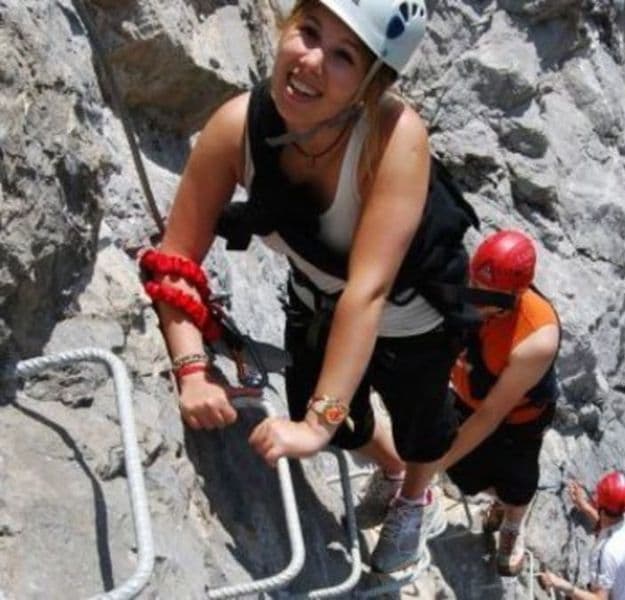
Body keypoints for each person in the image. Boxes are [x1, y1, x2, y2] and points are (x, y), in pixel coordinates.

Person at [151, 0, 464, 574]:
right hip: (321, 298)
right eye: (309, 32)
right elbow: (175, 259)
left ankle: (417, 499)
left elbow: (368, 292)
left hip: (412, 313)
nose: (312, 61)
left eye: (344, 56)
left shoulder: (394, 138)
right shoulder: (236, 128)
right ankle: (392, 469)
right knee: (344, 426)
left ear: (372, 85)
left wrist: (315, 426)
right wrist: (191, 368)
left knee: (422, 424)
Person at [433, 230, 561, 576]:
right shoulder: (467, 286)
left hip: (518, 418)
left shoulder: (536, 336)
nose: (475, 296)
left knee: (517, 479)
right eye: (474, 282)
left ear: (515, 294)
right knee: (463, 471)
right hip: (465, 395)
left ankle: (512, 524)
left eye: (486, 294)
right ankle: (498, 503)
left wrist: (429, 468)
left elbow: (491, 414)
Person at [539, 472, 625, 599]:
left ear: (601, 507)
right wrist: (584, 506)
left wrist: (561, 584)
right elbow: (608, 526)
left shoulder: (606, 552)